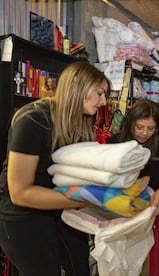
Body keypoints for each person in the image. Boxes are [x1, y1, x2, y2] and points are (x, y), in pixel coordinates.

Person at [0, 61, 110, 276]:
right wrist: (84, 199)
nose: (103, 102)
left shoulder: (81, 122)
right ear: (76, 84)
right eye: (99, 93)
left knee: (79, 268)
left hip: (60, 210)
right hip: (22, 217)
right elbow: (20, 193)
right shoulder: (32, 119)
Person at [108, 99, 159, 214]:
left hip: (153, 203)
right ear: (130, 123)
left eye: (151, 129)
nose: (145, 133)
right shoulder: (116, 142)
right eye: (139, 127)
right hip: (120, 204)